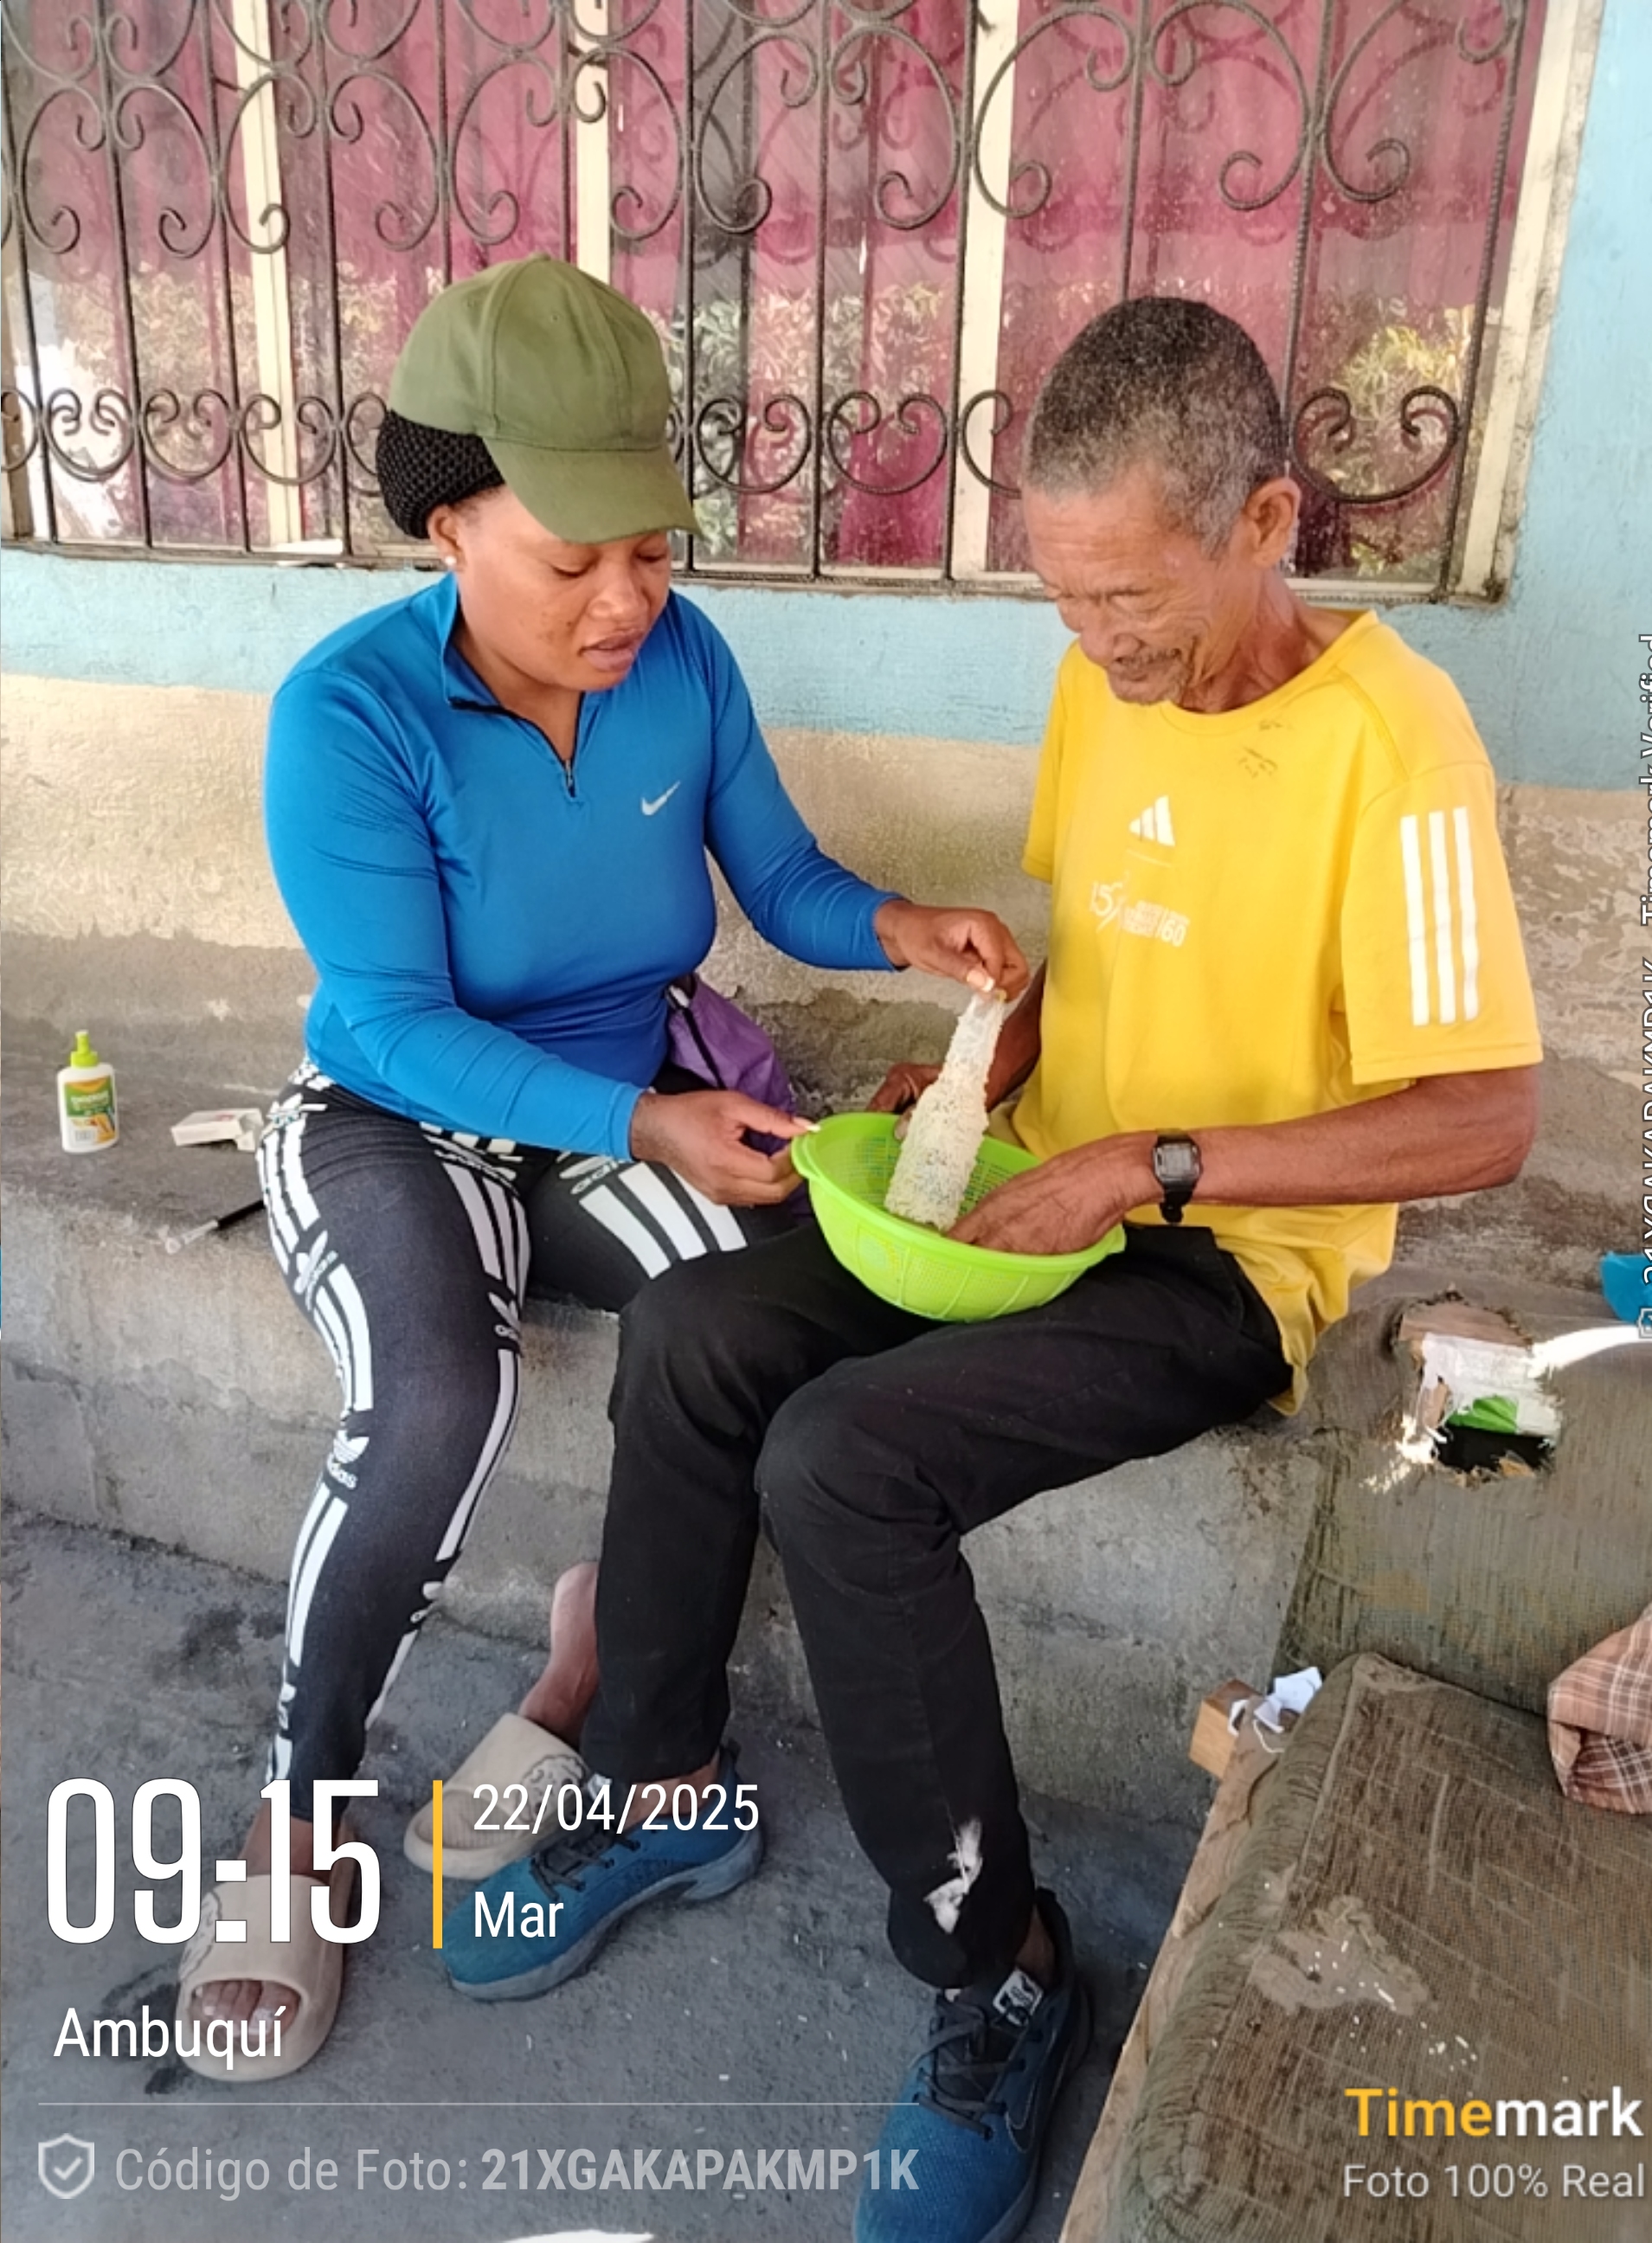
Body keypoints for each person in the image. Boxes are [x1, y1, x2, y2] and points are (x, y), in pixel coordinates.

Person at [438, 297, 1544, 2243]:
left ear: (1267, 519)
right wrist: (972, 1082)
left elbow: (1487, 1118)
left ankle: (1001, 1968)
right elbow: (1096, 955)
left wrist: (1152, 1165)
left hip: (1217, 1259)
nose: (1099, 642)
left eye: (1133, 599)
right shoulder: (1102, 685)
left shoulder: (1401, 747)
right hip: (1029, 1199)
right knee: (697, 1327)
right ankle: (664, 1779)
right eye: (1064, 598)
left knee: (846, 1462)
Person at [172, 254, 1027, 2081]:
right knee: (436, 1399)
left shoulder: (683, 664)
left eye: (652, 550)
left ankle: (599, 1678)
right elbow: (396, 1025)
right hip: (397, 1119)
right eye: (575, 562)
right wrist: (646, 1124)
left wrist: (899, 926)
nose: (628, 599)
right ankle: (298, 1817)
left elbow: (777, 881)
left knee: (746, 1325)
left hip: (620, 1095)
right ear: (451, 525)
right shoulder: (351, 717)